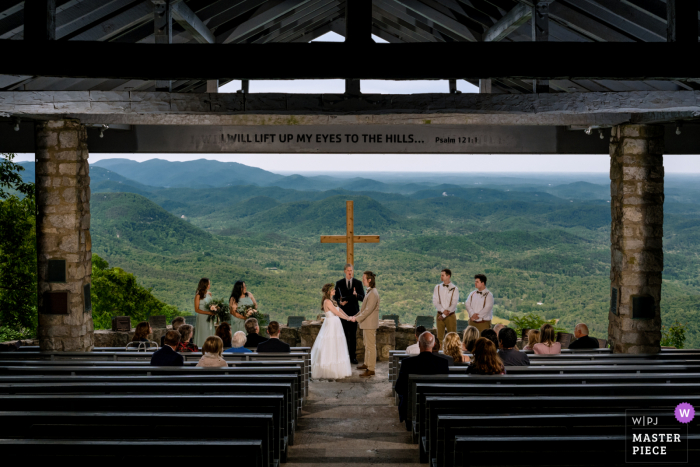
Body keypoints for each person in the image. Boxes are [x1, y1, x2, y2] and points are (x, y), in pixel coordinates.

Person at [394, 332, 449, 425]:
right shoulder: (443, 363)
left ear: (419, 344)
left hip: (413, 406)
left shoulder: (407, 363)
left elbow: (399, 388)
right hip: (436, 406)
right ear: (434, 344)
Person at [310, 283, 353, 379]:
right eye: (333, 289)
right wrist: (348, 319)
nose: (335, 291)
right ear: (329, 291)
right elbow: (336, 313)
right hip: (331, 325)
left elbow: (340, 310)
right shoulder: (327, 302)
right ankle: (328, 369)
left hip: (336, 324)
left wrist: (348, 317)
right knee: (330, 345)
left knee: (337, 345)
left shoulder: (332, 300)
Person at [351, 271, 380, 378]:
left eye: (364, 278)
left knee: (371, 346)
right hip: (367, 324)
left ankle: (371, 369)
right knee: (367, 345)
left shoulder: (373, 294)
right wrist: (355, 316)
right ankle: (366, 364)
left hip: (370, 325)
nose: (362, 280)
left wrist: (356, 319)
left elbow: (368, 311)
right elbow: (363, 309)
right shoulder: (370, 292)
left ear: (369, 280)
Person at [335, 263, 365, 364]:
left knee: (353, 336)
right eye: (348, 270)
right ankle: (344, 357)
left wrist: (356, 295)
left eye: (351, 270)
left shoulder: (358, 283)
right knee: (343, 335)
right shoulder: (339, 283)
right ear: (344, 271)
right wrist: (340, 302)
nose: (349, 272)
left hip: (354, 314)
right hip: (343, 314)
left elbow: (363, 298)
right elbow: (335, 297)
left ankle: (353, 357)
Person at [433, 269, 459, 345]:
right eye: (441, 275)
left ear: (448, 276)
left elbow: (454, 304)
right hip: (439, 315)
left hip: (450, 315)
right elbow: (435, 301)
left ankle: (452, 355)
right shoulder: (437, 287)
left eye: (443, 275)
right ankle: (440, 355)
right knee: (439, 338)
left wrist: (444, 315)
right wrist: (442, 310)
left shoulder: (455, 289)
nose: (441, 277)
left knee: (452, 338)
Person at [194, 278, 217, 348]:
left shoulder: (209, 294)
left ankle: (211, 347)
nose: (209, 285)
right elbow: (196, 310)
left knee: (210, 333)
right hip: (202, 318)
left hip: (209, 317)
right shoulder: (198, 295)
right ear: (204, 284)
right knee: (203, 333)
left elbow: (211, 304)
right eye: (208, 284)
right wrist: (208, 312)